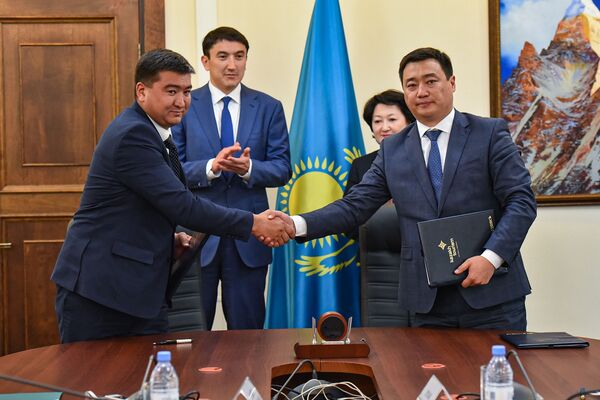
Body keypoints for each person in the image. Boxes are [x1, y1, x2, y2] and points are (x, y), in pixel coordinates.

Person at [284, 47, 537, 330]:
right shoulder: (392, 149)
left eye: (431, 81)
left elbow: (521, 202)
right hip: (429, 304)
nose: (421, 92)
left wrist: (491, 258)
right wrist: (294, 224)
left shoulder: (489, 133)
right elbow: (355, 206)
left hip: (492, 297)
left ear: (452, 83)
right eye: (412, 85)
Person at [51, 49, 292, 343]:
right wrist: (253, 223)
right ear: (142, 91)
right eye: (171, 91)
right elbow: (183, 206)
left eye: (187, 92)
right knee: (96, 373)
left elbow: (146, 204)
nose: (181, 102)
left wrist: (167, 239)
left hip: (135, 289)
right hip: (101, 293)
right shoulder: (133, 135)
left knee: (151, 371)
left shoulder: (156, 132)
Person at [171, 27, 291, 330]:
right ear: (205, 61)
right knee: (192, 332)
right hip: (197, 234)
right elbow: (172, 169)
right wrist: (212, 166)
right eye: (222, 56)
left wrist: (249, 169)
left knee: (249, 335)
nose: (232, 65)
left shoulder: (268, 107)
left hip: (249, 235)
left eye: (239, 56)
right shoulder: (184, 105)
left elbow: (282, 168)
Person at [344, 90, 415, 196]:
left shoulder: (425, 155)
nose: (385, 128)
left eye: (392, 119)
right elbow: (352, 203)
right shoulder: (360, 165)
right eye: (377, 121)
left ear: (409, 122)